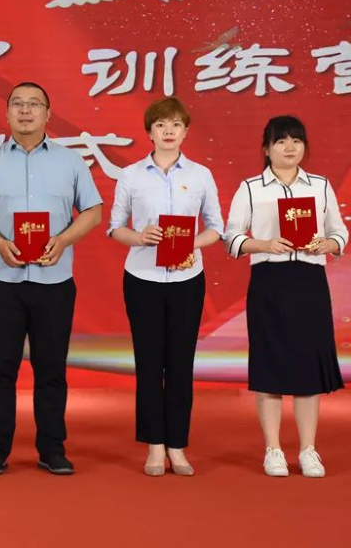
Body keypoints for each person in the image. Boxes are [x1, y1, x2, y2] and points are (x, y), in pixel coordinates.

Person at [0, 81, 102, 476]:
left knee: (51, 370)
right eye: (18, 104)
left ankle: (52, 449)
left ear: (47, 113)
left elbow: (93, 211)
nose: (25, 111)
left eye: (34, 104)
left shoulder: (71, 161)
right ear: (6, 113)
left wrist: (63, 240)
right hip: (2, 281)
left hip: (54, 281)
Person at [225, 115, 347, 478]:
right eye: (281, 141)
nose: (290, 147)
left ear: (305, 147)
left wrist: (328, 244)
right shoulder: (251, 188)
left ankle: (309, 449)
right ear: (266, 149)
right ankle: (273, 449)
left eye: (296, 140)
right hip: (269, 282)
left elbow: (340, 232)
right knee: (271, 364)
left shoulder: (321, 186)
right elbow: (231, 236)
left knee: (309, 367)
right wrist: (264, 244)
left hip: (310, 282)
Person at [107, 97, 223, 477]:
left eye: (175, 124)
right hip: (143, 279)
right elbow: (115, 227)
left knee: (180, 364)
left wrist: (192, 243)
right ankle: (154, 445)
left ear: (186, 131)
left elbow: (216, 227)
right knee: (148, 362)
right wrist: (139, 237)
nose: (168, 131)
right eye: (160, 125)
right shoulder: (131, 175)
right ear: (149, 132)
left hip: (187, 280)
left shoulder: (201, 175)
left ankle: (177, 445)